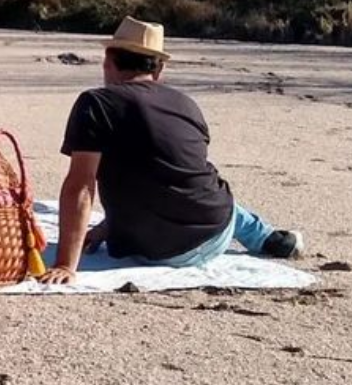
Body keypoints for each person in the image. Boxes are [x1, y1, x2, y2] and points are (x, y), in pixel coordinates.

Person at [40, 17, 304, 284]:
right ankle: (268, 238)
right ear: (159, 69)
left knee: (196, 191)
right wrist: (108, 227)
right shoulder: (186, 103)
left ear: (108, 60)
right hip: (216, 231)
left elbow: (81, 185)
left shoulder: (95, 103)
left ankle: (267, 236)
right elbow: (168, 172)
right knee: (213, 194)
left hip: (156, 252)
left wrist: (65, 264)